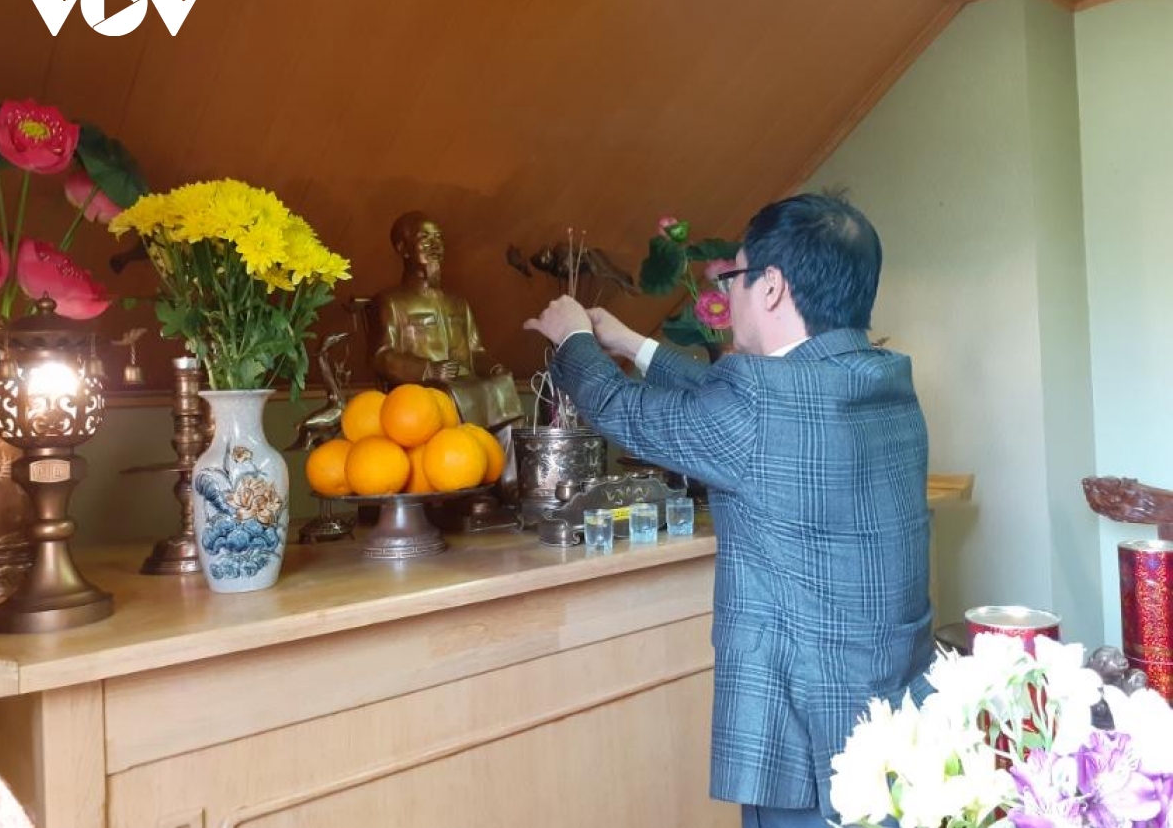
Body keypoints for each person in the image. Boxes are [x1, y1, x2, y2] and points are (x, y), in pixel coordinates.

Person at [524, 193, 933, 828]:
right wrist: (632, 343)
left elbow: (625, 411)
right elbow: (732, 401)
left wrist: (573, 338)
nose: (731, 291)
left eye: (735, 276)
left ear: (770, 287)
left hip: (804, 729)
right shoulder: (881, 379)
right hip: (893, 707)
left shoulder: (761, 403)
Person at [362, 211, 520, 430]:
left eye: (438, 237)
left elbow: (475, 352)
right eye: (424, 238)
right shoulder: (390, 302)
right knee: (453, 394)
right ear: (402, 248)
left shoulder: (459, 303)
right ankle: (463, 447)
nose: (434, 245)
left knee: (504, 386)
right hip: (420, 392)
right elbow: (381, 356)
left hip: (465, 384)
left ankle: (502, 452)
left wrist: (494, 368)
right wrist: (428, 370)